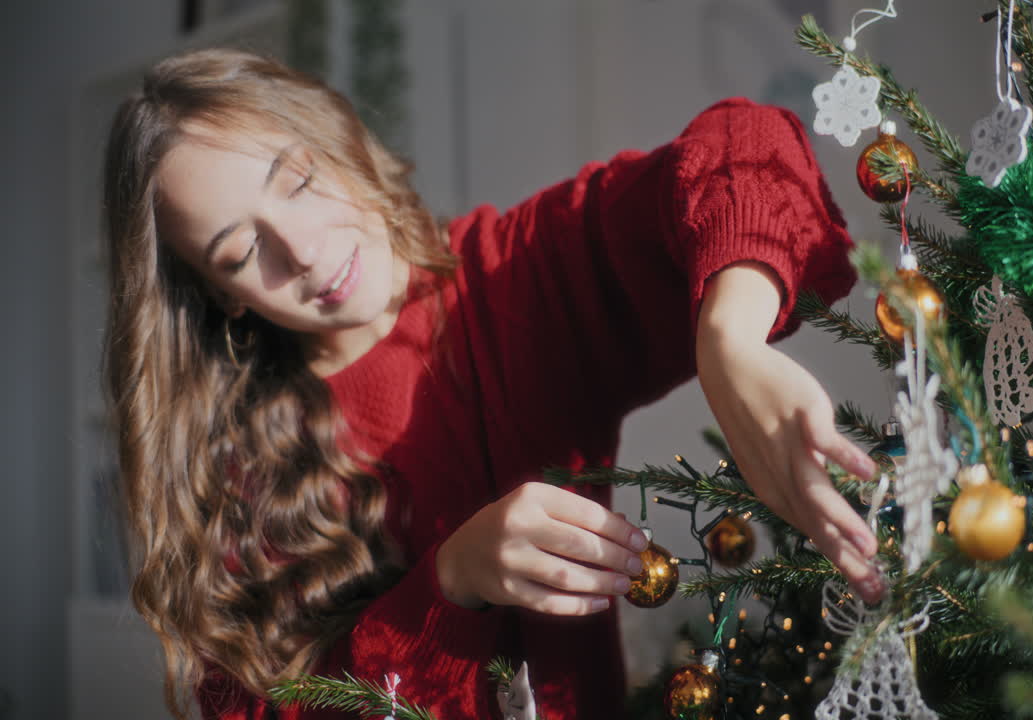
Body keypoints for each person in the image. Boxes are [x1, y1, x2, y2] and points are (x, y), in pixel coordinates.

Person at [103, 48, 884, 720]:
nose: (302, 252)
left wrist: (728, 339)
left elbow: (745, 144)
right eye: (242, 253)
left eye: (299, 179)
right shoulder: (229, 473)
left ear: (334, 138)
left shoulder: (512, 282)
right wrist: (453, 582)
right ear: (222, 295)